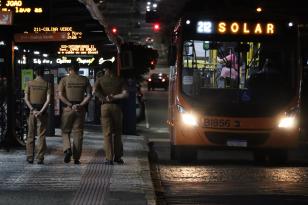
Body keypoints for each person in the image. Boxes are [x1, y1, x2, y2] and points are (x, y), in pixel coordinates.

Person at [93, 61, 128, 165]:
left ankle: (109, 158)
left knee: (107, 133)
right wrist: (114, 97)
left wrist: (104, 98)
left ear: (104, 69)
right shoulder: (120, 79)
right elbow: (125, 94)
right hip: (117, 107)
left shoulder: (100, 79)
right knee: (117, 133)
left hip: (104, 106)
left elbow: (94, 91)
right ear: (112, 68)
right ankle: (118, 157)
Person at [58, 62, 92, 164]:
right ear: (78, 69)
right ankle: (76, 158)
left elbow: (60, 95)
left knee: (65, 131)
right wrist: (81, 105)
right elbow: (89, 95)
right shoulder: (85, 79)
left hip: (68, 108)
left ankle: (67, 149)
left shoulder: (64, 80)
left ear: (69, 69)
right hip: (80, 109)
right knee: (78, 133)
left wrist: (70, 104)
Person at [24, 65, 51, 164]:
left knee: (30, 134)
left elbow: (26, 98)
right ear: (43, 73)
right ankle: (40, 157)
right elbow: (48, 100)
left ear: (35, 72)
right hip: (42, 113)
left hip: (32, 112)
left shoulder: (29, 83)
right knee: (41, 135)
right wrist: (41, 111)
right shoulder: (47, 84)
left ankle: (30, 156)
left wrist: (33, 109)